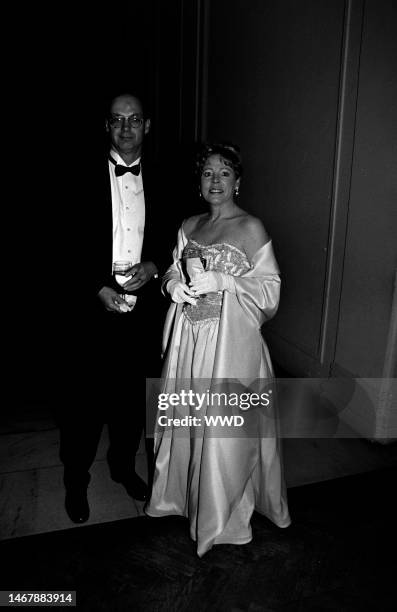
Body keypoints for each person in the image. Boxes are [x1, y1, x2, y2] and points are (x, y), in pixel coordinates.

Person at [145, 142, 291, 556]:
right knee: (188, 421)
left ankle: (224, 517)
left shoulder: (251, 228)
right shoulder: (189, 225)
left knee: (225, 433)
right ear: (199, 181)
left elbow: (270, 292)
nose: (215, 180)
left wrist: (226, 283)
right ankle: (183, 499)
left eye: (224, 173)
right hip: (188, 342)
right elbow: (174, 265)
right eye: (208, 173)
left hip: (230, 347)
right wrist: (171, 284)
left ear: (238, 182)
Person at [58, 92, 166, 524]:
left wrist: (156, 264)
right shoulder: (75, 173)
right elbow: (61, 242)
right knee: (83, 405)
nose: (126, 128)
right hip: (90, 311)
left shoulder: (166, 176)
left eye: (134, 119)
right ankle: (75, 479)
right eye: (118, 120)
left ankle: (122, 468)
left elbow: (179, 232)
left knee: (130, 402)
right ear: (107, 126)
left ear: (147, 126)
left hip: (141, 314)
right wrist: (95, 287)